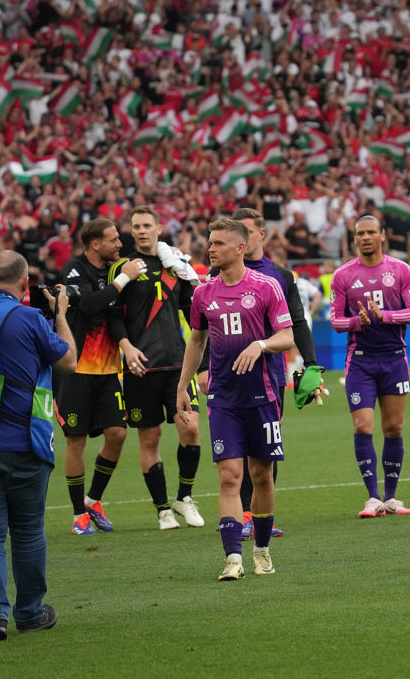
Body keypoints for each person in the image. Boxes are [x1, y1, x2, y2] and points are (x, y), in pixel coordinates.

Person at [177, 218, 294, 581]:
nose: (210, 249)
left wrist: (260, 344)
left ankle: (261, 550)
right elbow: (196, 342)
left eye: (219, 243)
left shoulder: (266, 286)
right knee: (229, 477)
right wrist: (182, 386)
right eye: (210, 242)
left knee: (261, 475)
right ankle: (233, 558)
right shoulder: (202, 293)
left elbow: (286, 335)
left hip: (263, 397)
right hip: (223, 399)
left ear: (240, 248)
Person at [0, 251, 76, 642]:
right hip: (25, 441)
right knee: (28, 530)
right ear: (24, 285)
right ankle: (31, 612)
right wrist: (61, 315)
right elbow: (68, 360)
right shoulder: (28, 316)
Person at [220, 208, 323, 540]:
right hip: (229, 377)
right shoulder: (218, 273)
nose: (242, 238)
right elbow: (206, 330)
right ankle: (244, 514)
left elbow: (297, 323)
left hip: (270, 375)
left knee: (265, 450)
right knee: (237, 451)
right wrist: (207, 368)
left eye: (247, 231)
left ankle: (260, 514)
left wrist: (310, 364)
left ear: (261, 234)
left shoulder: (281, 276)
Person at [108, 206, 204, 530]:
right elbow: (114, 315)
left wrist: (203, 361)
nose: (141, 231)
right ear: (131, 231)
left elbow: (194, 314)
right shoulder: (123, 268)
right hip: (140, 367)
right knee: (150, 440)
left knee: (190, 429)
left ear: (159, 228)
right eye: (136, 226)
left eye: (147, 225)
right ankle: (163, 509)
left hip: (178, 364)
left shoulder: (175, 265)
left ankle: (185, 497)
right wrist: (126, 346)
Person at [57, 219, 145, 535]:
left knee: (117, 434)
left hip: (108, 369)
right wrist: (122, 279)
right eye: (113, 240)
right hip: (76, 369)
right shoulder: (74, 269)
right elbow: (92, 304)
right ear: (95, 244)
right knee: (76, 440)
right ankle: (78, 514)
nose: (119, 245)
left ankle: (93, 499)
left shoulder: (112, 271)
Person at [330, 215, 410, 518]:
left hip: (395, 357)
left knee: (393, 427)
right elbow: (336, 320)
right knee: (362, 425)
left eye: (371, 232)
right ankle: (373, 497)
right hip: (361, 360)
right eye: (359, 233)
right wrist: (358, 321)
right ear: (354, 239)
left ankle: (392, 498)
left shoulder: (401, 270)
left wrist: (386, 316)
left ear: (383, 236)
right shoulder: (343, 275)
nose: (365, 237)